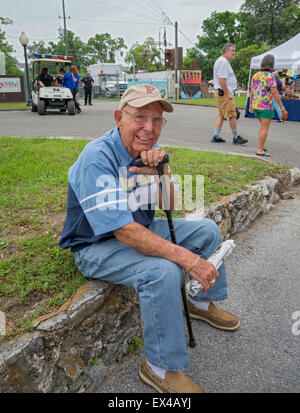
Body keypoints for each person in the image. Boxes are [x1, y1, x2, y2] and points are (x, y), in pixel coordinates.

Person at [59, 84, 239, 393]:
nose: (149, 127)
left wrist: (161, 173)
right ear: (119, 117)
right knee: (164, 272)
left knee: (207, 229)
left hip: (137, 228)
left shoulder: (147, 154)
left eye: (156, 120)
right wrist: (188, 260)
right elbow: (124, 231)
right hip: (97, 244)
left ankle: (200, 301)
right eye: (140, 117)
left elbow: (169, 206)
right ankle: (159, 367)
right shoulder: (97, 157)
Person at [249, 54, 287, 157]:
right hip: (266, 107)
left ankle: (261, 145)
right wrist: (281, 106)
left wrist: (251, 104)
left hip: (257, 106)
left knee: (263, 127)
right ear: (272, 64)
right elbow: (275, 93)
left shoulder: (255, 75)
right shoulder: (270, 76)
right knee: (265, 128)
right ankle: (260, 150)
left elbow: (252, 91)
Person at [212, 43, 248, 145]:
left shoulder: (221, 61)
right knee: (232, 115)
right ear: (226, 51)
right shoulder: (223, 62)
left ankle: (216, 136)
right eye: (233, 50)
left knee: (221, 115)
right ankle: (236, 137)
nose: (234, 53)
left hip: (220, 93)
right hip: (224, 94)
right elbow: (222, 80)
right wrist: (228, 93)